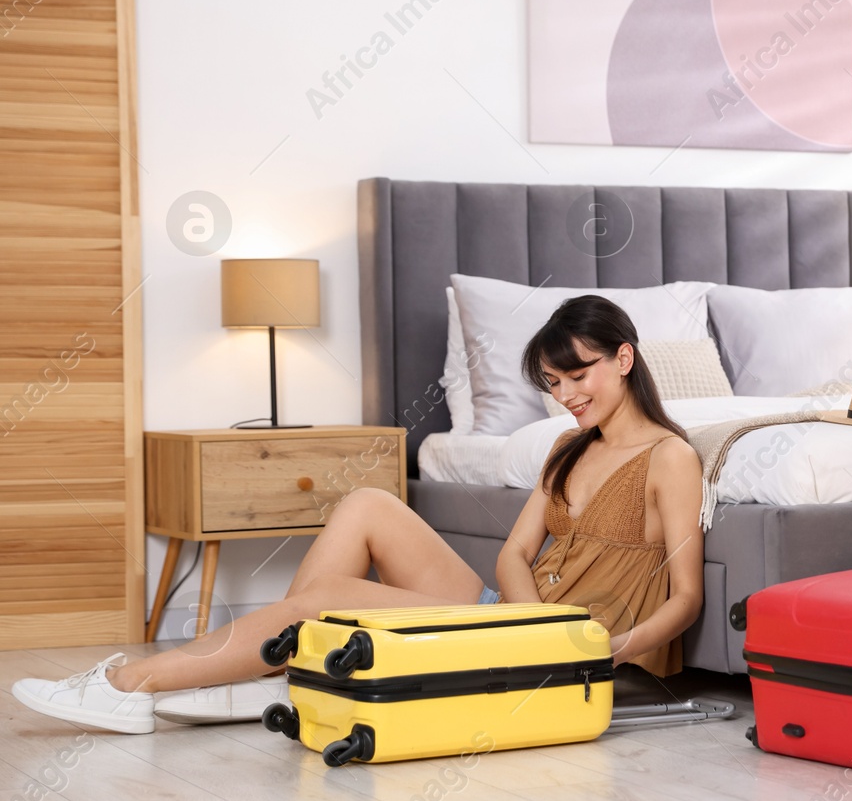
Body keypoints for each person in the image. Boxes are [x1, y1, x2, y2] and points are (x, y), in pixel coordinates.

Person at [12, 296, 705, 734]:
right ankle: (281, 672)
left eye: (579, 375)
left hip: (562, 639)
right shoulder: (564, 445)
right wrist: (520, 617)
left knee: (328, 601)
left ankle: (132, 683)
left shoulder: (670, 458)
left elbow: (687, 596)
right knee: (368, 503)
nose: (567, 396)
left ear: (624, 357)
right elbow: (513, 556)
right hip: (514, 617)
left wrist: (597, 644)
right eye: (553, 384)